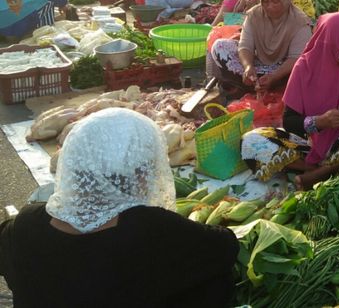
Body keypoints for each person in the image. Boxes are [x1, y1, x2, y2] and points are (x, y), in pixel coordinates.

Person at [0, 108, 239, 307]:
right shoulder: (150, 228)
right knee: (217, 281)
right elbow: (226, 247)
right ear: (143, 175)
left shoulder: (27, 222)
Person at [240, 12, 339, 189]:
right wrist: (320, 122)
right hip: (311, 145)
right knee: (251, 141)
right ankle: (316, 168)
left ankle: (321, 174)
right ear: (334, 45)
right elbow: (289, 121)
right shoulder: (304, 67)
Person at [209, 0, 312, 97]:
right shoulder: (254, 15)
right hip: (258, 64)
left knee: (303, 66)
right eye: (266, 2)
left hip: (282, 69)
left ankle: (268, 86)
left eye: (275, 1)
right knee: (220, 46)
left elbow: (296, 57)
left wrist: (274, 77)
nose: (270, 6)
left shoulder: (300, 21)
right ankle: (250, 83)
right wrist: (248, 67)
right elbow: (245, 45)